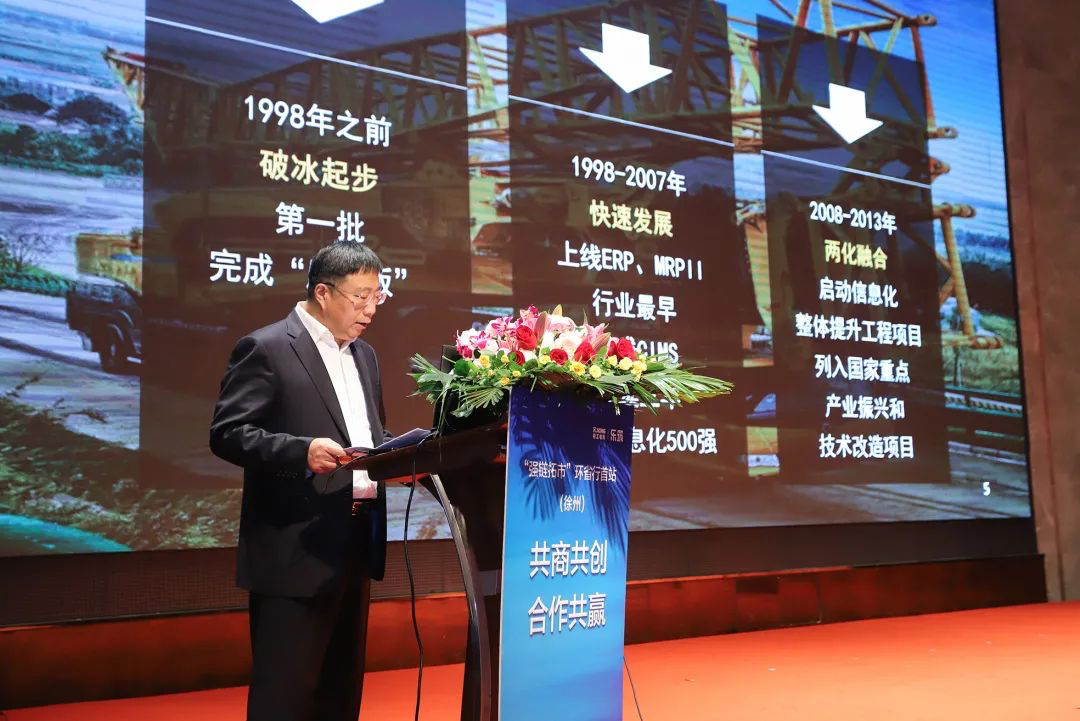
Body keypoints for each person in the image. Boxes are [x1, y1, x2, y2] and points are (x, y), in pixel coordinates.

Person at [209, 242, 393, 721]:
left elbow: (370, 436)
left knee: (340, 695)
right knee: (286, 698)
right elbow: (227, 433)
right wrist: (301, 452)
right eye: (361, 297)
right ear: (323, 293)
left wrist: (406, 453)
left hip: (355, 544)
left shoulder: (366, 356)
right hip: (293, 551)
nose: (371, 309)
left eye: (377, 296)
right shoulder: (267, 348)